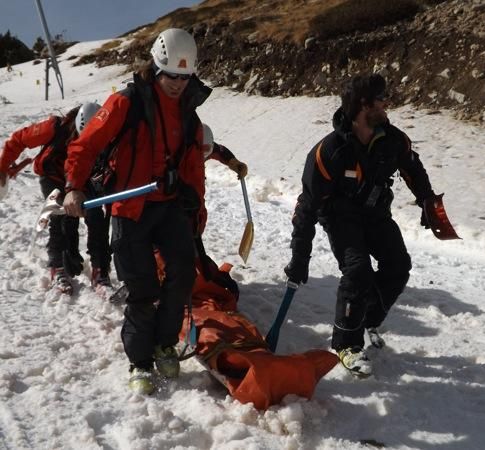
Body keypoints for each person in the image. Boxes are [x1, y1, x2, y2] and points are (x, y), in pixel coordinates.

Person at [62, 28, 245, 395]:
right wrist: (73, 187)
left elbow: (194, 163)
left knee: (181, 276)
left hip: (169, 206)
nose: (177, 84)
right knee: (142, 287)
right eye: (171, 76)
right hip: (130, 207)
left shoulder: (189, 113)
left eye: (184, 77)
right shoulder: (127, 103)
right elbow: (86, 144)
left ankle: (164, 344)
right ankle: (139, 360)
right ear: (156, 68)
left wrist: (196, 206)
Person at [284, 73, 438, 378]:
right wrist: (300, 257)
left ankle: (367, 318)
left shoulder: (392, 139)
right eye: (382, 98)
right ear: (364, 105)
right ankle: (346, 343)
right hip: (340, 218)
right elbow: (308, 206)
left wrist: (427, 202)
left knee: (398, 266)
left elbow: (412, 167)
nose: (387, 103)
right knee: (357, 270)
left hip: (376, 214)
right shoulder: (329, 151)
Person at [0, 101, 113, 296]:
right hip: (53, 176)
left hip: (84, 179)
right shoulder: (55, 128)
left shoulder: (107, 133)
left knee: (97, 216)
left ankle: (100, 270)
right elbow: (19, 139)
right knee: (59, 214)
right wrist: (2, 167)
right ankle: (58, 267)